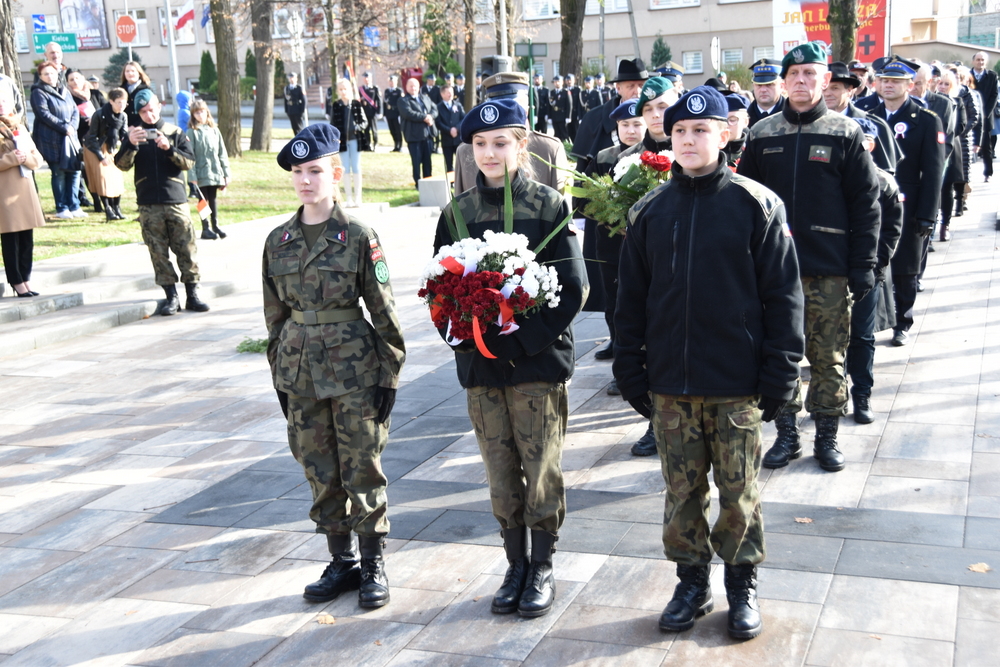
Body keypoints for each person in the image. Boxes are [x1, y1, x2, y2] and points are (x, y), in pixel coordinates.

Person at [615, 85, 804, 641]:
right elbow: (631, 300)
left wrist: (779, 375)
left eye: (702, 130)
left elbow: (784, 298)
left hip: (736, 384)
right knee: (682, 492)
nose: (689, 140)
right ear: (666, 138)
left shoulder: (757, 205)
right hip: (672, 384)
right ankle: (691, 583)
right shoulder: (649, 210)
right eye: (678, 132)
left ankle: (741, 587)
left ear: (725, 135)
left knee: (739, 491)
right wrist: (631, 369)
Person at [432, 98, 588, 618]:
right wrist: (464, 336)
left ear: (522, 146)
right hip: (481, 366)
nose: (490, 153)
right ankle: (514, 563)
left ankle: (542, 564)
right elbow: (440, 287)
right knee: (499, 468)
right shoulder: (456, 213)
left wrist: (522, 341)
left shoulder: (549, 205)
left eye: (501, 143)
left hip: (535, 365)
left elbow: (572, 289)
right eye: (480, 144)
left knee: (540, 464)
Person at [265, 123, 405, 610]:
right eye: (299, 172)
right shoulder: (278, 240)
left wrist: (390, 372)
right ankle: (340, 558)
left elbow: (384, 310)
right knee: (319, 469)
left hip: (355, 372)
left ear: (336, 173)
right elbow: (275, 318)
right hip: (299, 372)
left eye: (316, 170)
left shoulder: (359, 236)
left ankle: (373, 562)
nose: (306, 180)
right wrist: (278, 375)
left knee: (362, 467)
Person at [738, 41, 880, 473]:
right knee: (779, 355)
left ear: (825, 81)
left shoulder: (845, 133)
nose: (801, 81)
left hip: (829, 270)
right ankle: (786, 434)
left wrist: (863, 265)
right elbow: (745, 203)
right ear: (783, 82)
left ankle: (827, 435)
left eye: (810, 74)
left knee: (828, 357)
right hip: (774, 272)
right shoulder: (762, 134)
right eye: (794, 75)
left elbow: (866, 204)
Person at [868, 58, 944, 348]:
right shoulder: (868, 114)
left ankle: (903, 321)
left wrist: (927, 214)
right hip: (872, 203)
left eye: (896, 81)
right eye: (884, 80)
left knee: (905, 266)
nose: (888, 85)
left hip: (909, 203)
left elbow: (934, 171)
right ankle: (874, 318)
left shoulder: (925, 120)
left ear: (910, 85)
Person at [115, 90, 210, 316]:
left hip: (175, 199)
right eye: (144, 111)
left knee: (186, 247)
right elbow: (121, 164)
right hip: (148, 202)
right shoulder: (134, 134)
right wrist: (130, 145)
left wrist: (170, 149)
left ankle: (193, 294)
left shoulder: (175, 132)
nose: (149, 115)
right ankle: (171, 296)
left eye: (152, 109)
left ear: (160, 106)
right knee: (158, 251)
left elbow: (188, 162)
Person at [844, 116, 904, 424]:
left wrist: (874, 264)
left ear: (871, 144)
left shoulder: (884, 182)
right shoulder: (833, 176)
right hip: (833, 270)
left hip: (868, 272)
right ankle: (834, 395)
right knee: (830, 338)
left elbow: (891, 231)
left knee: (862, 337)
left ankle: (862, 395)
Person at [588, 98, 645, 389]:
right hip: (610, 243)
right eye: (625, 125)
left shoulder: (652, 158)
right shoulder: (604, 157)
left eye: (637, 124)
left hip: (643, 247)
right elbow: (587, 200)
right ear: (616, 127)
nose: (632, 131)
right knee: (613, 302)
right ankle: (616, 349)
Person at [453, 72, 569, 197]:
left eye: (511, 108)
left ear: (526, 109)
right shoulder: (465, 152)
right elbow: (458, 211)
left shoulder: (550, 149)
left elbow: (563, 210)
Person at [0, 80, 46, 298]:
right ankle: (16, 281)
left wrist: (25, 157)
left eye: (4, 101)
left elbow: (37, 157)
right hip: (5, 193)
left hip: (25, 191)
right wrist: (11, 158)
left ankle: (26, 278)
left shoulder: (20, 127)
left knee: (27, 238)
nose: (1, 105)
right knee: (11, 239)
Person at [823, 62, 901, 174]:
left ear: (850, 90)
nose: (827, 94)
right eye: (824, 89)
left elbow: (886, 172)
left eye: (834, 88)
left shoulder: (874, 125)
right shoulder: (809, 124)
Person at [30, 61, 83, 219]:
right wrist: (63, 127)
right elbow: (44, 114)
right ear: (40, 76)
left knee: (74, 172)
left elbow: (75, 111)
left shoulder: (65, 90)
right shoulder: (38, 92)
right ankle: (62, 207)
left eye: (52, 73)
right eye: (46, 74)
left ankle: (74, 206)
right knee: (59, 173)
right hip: (51, 140)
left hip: (70, 138)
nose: (50, 76)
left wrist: (72, 127)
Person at [186, 99, 231, 239]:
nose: (200, 115)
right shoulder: (192, 132)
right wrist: (192, 175)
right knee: (202, 201)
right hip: (200, 172)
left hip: (215, 171)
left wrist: (226, 173)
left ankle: (215, 225)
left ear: (207, 112)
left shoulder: (214, 130)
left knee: (213, 199)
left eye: (202, 112)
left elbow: (222, 153)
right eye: (196, 113)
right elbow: (190, 155)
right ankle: (205, 227)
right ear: (193, 116)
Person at [83, 87, 128, 221]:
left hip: (112, 148)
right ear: (111, 102)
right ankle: (108, 209)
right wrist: (101, 156)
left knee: (116, 178)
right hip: (95, 148)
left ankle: (117, 208)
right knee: (103, 179)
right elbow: (91, 137)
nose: (121, 106)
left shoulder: (123, 116)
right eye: (118, 102)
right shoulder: (100, 114)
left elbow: (123, 134)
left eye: (124, 102)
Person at [329, 79, 367, 207]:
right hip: (342, 142)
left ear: (350, 89)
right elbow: (333, 124)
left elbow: (364, 122)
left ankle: (358, 197)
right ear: (338, 91)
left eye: (345, 89)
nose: (343, 91)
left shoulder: (356, 104)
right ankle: (348, 198)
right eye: (340, 89)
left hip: (355, 140)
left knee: (356, 168)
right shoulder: (336, 105)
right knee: (344, 169)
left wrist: (357, 127)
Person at [68, 71, 102, 212]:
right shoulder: (68, 97)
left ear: (83, 79)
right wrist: (84, 121)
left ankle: (107, 200)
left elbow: (106, 111)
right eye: (71, 79)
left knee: (101, 171)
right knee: (87, 171)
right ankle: (96, 201)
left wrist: (96, 120)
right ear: (68, 83)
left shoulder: (95, 94)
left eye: (77, 78)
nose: (75, 81)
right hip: (81, 138)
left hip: (99, 139)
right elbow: (69, 117)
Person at [398, 76, 437, 188]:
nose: (413, 88)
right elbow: (408, 113)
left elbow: (435, 109)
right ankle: (418, 183)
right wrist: (424, 117)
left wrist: (430, 117)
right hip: (414, 136)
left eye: (415, 86)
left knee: (427, 161)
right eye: (410, 86)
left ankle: (428, 181)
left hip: (427, 135)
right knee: (416, 161)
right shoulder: (403, 100)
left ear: (419, 86)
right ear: (406, 87)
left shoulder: (425, 98)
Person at [971, 51, 999, 181]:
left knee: (987, 147)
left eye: (982, 60)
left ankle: (988, 173)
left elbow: (994, 95)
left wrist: (986, 112)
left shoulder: (992, 76)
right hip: (970, 115)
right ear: (973, 61)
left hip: (986, 116)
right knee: (968, 144)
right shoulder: (968, 75)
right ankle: (966, 173)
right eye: (978, 59)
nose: (980, 62)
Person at [435, 83, 464, 174]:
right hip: (446, 139)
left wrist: (456, 129)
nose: (450, 94)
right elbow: (438, 122)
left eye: (451, 92)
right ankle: (451, 182)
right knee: (448, 162)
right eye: (448, 92)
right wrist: (449, 130)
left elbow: (463, 118)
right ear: (442, 94)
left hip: (458, 138)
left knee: (461, 161)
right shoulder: (438, 107)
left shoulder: (458, 105)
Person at [746, 59, 784, 128]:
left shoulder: (794, 115)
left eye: (769, 84)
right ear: (753, 86)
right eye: (759, 85)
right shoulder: (743, 119)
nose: (763, 90)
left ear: (781, 86)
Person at [120, 61, 152, 127]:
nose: (130, 73)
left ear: (139, 73)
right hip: (124, 128)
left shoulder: (146, 90)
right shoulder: (120, 90)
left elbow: (150, 110)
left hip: (142, 127)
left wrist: (135, 126)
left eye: (133, 71)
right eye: (127, 71)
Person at [359, 72, 381, 150]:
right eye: (365, 78)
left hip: (373, 112)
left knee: (374, 130)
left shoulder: (375, 88)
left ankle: (375, 144)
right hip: (364, 113)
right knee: (366, 130)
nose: (366, 79)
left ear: (371, 79)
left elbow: (379, 100)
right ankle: (368, 145)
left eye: (368, 78)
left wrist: (379, 112)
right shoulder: (361, 89)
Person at [548, 76, 571, 142]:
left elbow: (569, 105)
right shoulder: (551, 92)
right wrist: (549, 116)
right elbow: (549, 105)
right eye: (555, 82)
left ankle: (567, 148)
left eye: (558, 82)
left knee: (564, 134)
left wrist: (568, 116)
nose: (557, 83)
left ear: (562, 82)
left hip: (562, 115)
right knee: (556, 134)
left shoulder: (566, 92)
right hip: (554, 115)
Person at [383, 74, 403, 152]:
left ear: (396, 82)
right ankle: (395, 145)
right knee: (392, 130)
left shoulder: (399, 91)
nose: (391, 83)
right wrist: (384, 114)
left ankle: (399, 145)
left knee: (397, 130)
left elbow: (401, 103)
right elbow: (384, 103)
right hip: (389, 114)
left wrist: (400, 115)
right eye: (390, 82)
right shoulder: (387, 91)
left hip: (396, 113)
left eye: (393, 81)